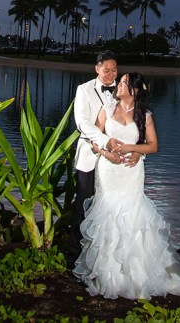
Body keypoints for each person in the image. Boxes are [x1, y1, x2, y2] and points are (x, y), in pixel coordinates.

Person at [73, 71, 180, 300]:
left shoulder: (144, 115)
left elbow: (153, 145)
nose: (119, 85)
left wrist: (133, 150)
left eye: (124, 83)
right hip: (108, 171)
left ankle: (135, 272)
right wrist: (106, 154)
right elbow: (94, 138)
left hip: (131, 172)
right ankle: (109, 274)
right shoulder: (107, 108)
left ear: (135, 91)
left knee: (133, 217)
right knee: (108, 213)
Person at [66, 50, 139, 267]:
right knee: (84, 205)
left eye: (114, 70)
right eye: (106, 70)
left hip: (116, 164)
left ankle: (108, 260)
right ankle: (74, 258)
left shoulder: (123, 89)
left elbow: (138, 124)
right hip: (91, 156)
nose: (110, 74)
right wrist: (105, 143)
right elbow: (82, 123)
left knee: (111, 208)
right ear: (97, 68)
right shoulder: (84, 90)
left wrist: (138, 151)